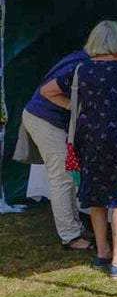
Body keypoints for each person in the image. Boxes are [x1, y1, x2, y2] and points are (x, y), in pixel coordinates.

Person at [41, 21, 117, 273]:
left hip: (88, 139)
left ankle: (102, 252)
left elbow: (47, 91)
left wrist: (76, 107)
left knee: (96, 196)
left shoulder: (81, 70)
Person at [22, 47, 91, 250]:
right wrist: (76, 107)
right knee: (61, 177)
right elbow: (47, 91)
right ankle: (69, 236)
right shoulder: (82, 64)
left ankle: (75, 227)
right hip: (45, 120)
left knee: (66, 176)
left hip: (44, 118)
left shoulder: (79, 57)